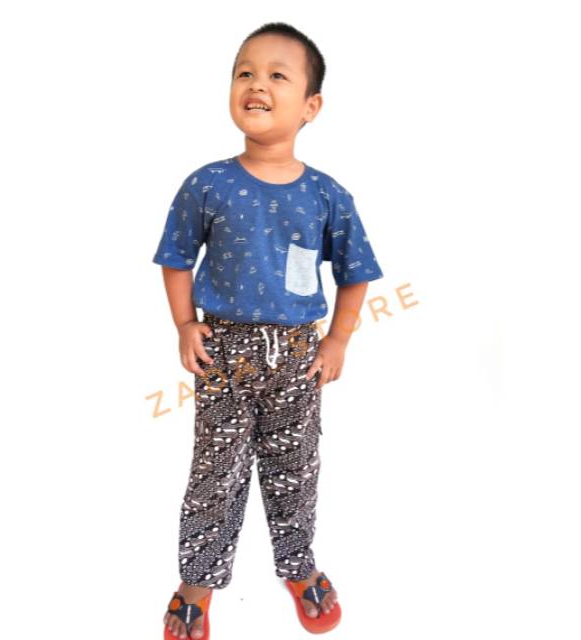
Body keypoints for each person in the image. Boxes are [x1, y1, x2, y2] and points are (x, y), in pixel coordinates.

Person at [154, 21, 384, 640]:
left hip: (299, 356)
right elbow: (176, 258)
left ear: (311, 105)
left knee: (296, 467)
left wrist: (338, 340)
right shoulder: (207, 184)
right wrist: (185, 324)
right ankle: (197, 582)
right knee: (215, 474)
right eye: (245, 73)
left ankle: (298, 565)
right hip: (223, 353)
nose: (257, 84)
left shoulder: (327, 195)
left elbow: (356, 273)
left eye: (277, 75)